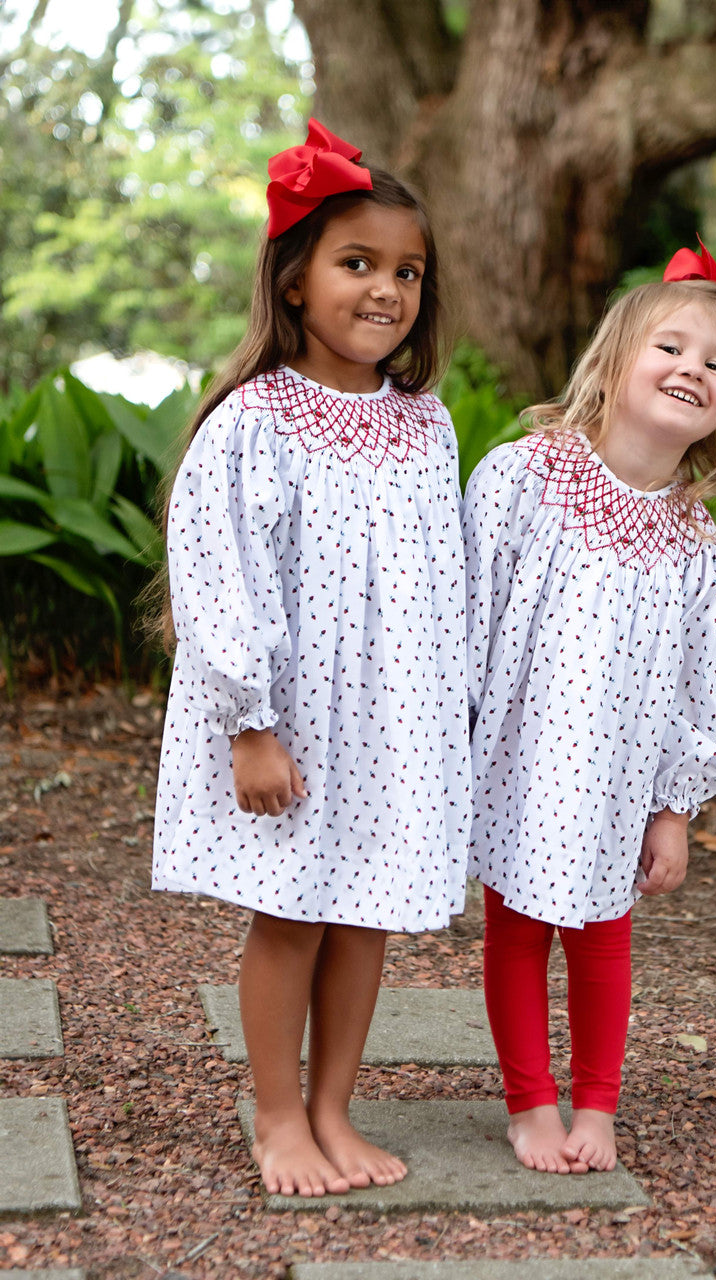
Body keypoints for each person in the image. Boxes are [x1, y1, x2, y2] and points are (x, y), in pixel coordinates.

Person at [152, 120, 469, 1199]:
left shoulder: (427, 425)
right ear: (295, 281)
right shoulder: (253, 422)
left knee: (368, 908)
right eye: (358, 263)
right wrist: (249, 719)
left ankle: (335, 1105)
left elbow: (444, 577)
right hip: (294, 715)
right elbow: (217, 573)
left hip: (394, 713)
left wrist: (452, 711)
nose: (386, 289)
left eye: (407, 271)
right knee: (291, 912)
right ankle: (277, 1114)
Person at [462, 239, 716, 1175]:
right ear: (612, 363)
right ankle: (529, 1102)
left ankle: (596, 1105)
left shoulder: (697, 552)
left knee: (603, 939)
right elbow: (466, 624)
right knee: (515, 930)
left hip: (617, 782)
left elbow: (710, 694)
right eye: (671, 349)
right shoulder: (521, 481)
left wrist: (674, 810)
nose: (693, 370)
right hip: (517, 759)